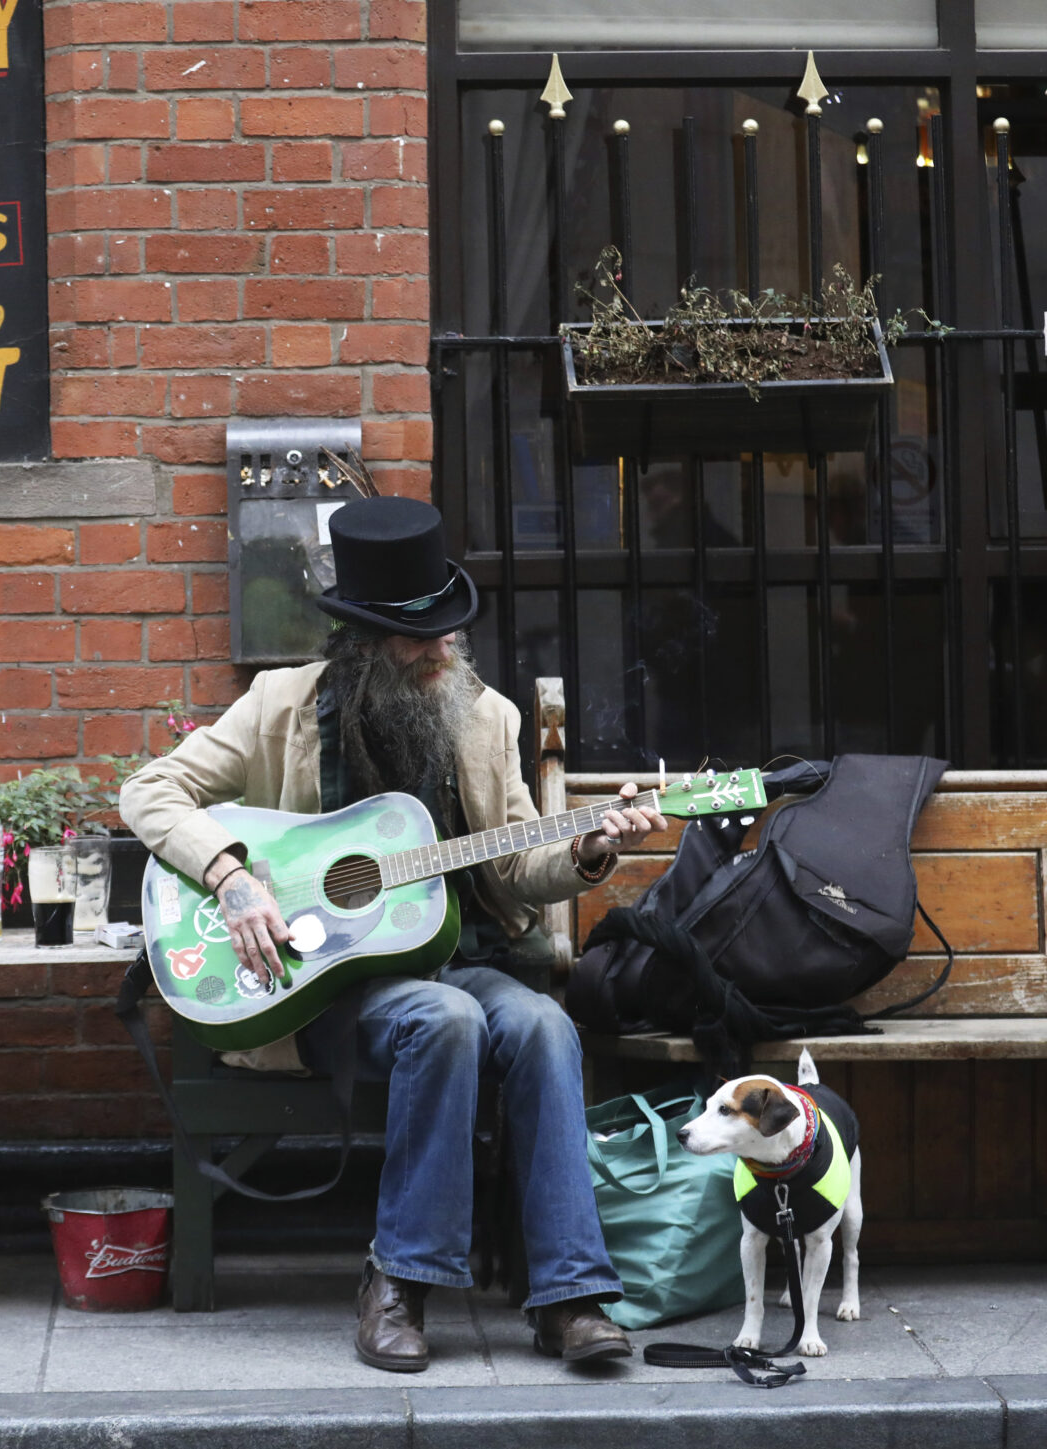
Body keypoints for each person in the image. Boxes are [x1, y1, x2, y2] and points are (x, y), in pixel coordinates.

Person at [120, 496, 665, 1372]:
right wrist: (231, 878)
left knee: (541, 1023)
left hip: (461, 957)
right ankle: (398, 1282)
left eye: (452, 632)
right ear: (367, 642)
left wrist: (590, 847)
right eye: (422, 641)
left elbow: (522, 869)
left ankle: (570, 1294)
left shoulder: (483, 717)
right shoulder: (281, 706)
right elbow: (148, 793)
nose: (444, 652)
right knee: (442, 1021)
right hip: (329, 985)